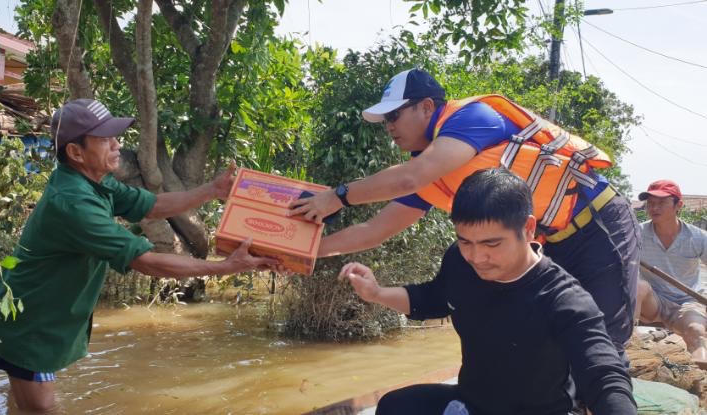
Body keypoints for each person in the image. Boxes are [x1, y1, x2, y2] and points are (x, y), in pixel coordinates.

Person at [289, 68, 640, 359]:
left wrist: (337, 197)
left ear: (427, 107)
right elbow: (374, 230)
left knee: (603, 340)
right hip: (549, 242)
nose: (389, 127)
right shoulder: (429, 166)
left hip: (597, 223)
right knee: (551, 338)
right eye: (384, 120)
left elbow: (410, 178)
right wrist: (301, 251)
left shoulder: (472, 118)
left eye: (394, 115)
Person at [0, 99, 277, 412]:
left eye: (115, 136)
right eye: (105, 139)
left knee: (22, 405)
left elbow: (152, 205)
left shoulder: (95, 182)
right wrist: (226, 267)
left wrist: (212, 190)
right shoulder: (74, 205)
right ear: (75, 152)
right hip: (31, 325)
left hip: (38, 314)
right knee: (41, 409)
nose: (117, 144)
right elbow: (146, 262)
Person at [339, 168, 636, 415]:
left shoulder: (564, 299)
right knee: (396, 406)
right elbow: (433, 298)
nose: (477, 257)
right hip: (472, 404)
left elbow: (603, 374)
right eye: (466, 241)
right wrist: (376, 293)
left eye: (492, 244)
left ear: (528, 228)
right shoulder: (459, 260)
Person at [634, 179, 707, 368]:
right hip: (654, 302)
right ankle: (629, 343)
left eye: (661, 202)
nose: (654, 208)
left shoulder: (698, 237)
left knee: (696, 331)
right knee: (637, 286)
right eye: (650, 203)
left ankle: (699, 373)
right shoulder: (636, 233)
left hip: (687, 303)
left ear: (678, 205)